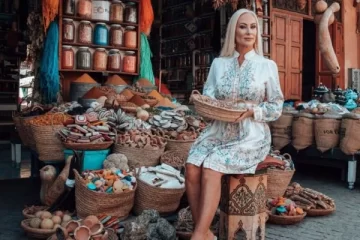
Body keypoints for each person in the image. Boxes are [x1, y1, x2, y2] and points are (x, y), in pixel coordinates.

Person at [186, 8, 284, 240]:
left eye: (253, 27)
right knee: (191, 165)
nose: (248, 32)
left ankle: (198, 235)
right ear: (233, 31)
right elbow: (209, 97)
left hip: (252, 135)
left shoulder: (266, 66)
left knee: (211, 165)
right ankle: (207, 232)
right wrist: (204, 102)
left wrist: (253, 111)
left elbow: (276, 106)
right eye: (243, 26)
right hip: (219, 130)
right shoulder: (219, 64)